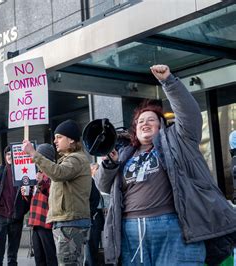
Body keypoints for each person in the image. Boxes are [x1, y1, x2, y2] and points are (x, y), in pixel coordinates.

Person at [95, 65, 236, 265]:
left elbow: (189, 115)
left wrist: (169, 82)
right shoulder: (124, 153)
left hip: (173, 227)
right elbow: (102, 186)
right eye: (140, 121)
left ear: (162, 125)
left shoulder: (178, 141)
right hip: (130, 231)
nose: (144, 123)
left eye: (151, 120)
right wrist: (110, 164)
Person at [22, 119, 92, 266]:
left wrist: (33, 153)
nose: (55, 141)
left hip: (70, 222)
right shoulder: (69, 159)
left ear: (72, 139)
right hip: (66, 221)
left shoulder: (76, 159)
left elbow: (57, 173)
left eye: (59, 137)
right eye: (55, 137)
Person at [26, 143, 58, 266]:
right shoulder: (37, 174)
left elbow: (52, 193)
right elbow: (32, 199)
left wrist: (42, 182)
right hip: (35, 221)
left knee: (50, 257)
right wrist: (26, 192)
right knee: (39, 258)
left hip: (47, 222)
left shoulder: (53, 174)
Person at [86, 163, 105, 266]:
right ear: (91, 170)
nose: (98, 171)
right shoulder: (89, 181)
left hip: (98, 216)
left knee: (95, 244)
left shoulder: (99, 181)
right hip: (92, 216)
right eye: (96, 169)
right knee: (90, 246)